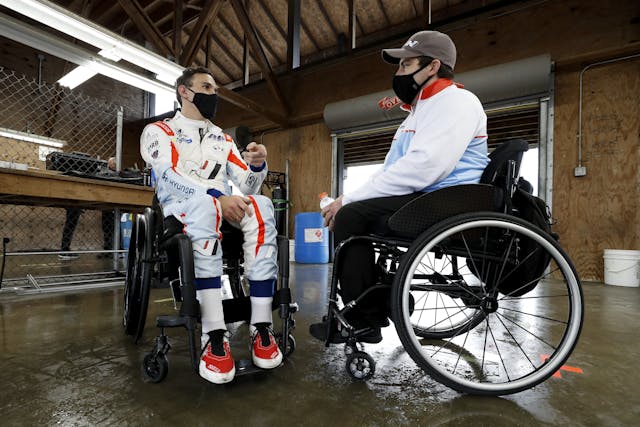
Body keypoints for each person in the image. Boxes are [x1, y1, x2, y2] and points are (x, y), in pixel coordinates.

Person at [309, 30, 490, 344]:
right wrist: (351, 197)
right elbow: (395, 170)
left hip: (448, 201)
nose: (398, 73)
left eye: (406, 65)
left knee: (352, 216)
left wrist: (348, 200)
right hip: (429, 197)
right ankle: (378, 296)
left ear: (432, 67)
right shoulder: (424, 109)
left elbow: (425, 166)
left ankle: (364, 319)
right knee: (355, 211)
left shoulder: (456, 101)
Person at [139, 67, 282, 384]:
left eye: (216, 89)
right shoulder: (159, 131)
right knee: (205, 205)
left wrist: (258, 164)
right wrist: (217, 196)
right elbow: (168, 177)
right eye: (206, 87)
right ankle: (214, 335)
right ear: (184, 92)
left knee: (262, 205)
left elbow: (249, 185)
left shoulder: (223, 138)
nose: (213, 94)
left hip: (223, 209)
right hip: (181, 210)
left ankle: (262, 326)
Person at [59, 157, 117, 260]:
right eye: (108, 163)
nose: (108, 165)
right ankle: (64, 249)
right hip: (79, 197)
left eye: (110, 164)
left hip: (106, 202)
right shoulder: (99, 172)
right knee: (72, 222)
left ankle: (112, 250)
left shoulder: (110, 174)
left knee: (109, 226)